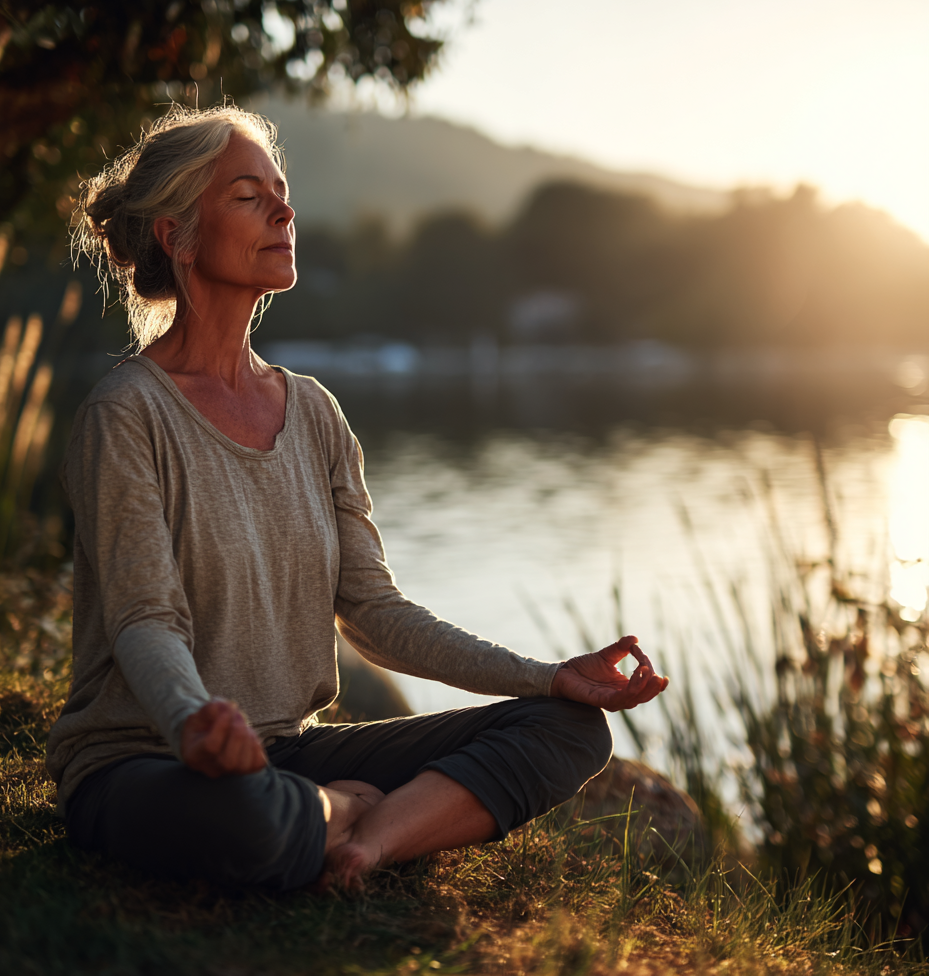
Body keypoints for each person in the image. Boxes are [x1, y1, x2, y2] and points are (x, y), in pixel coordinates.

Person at [47, 104, 669, 892]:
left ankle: (362, 843)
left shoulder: (314, 414)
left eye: (282, 191)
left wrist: (548, 677)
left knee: (570, 730)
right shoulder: (126, 413)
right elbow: (144, 618)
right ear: (177, 234)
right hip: (144, 759)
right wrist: (194, 722)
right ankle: (335, 814)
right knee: (248, 815)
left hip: (288, 751)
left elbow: (376, 614)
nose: (284, 209)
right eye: (248, 195)